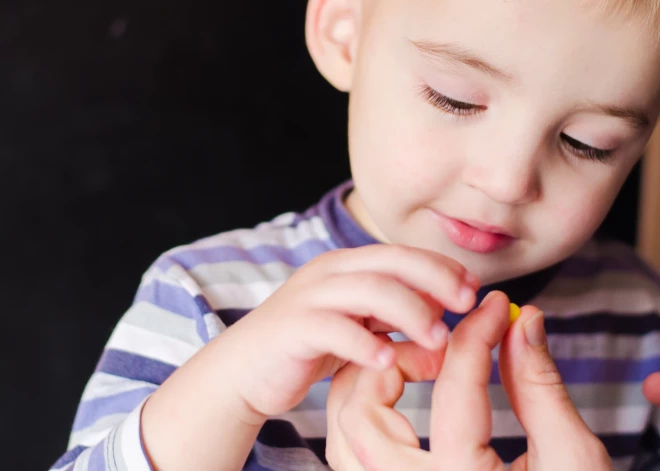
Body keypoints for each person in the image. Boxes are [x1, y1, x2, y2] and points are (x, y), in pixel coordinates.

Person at [50, 0, 660, 470]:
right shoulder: (205, 300)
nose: (506, 181)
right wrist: (225, 394)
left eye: (588, 144)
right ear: (344, 31)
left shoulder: (642, 317)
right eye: (455, 100)